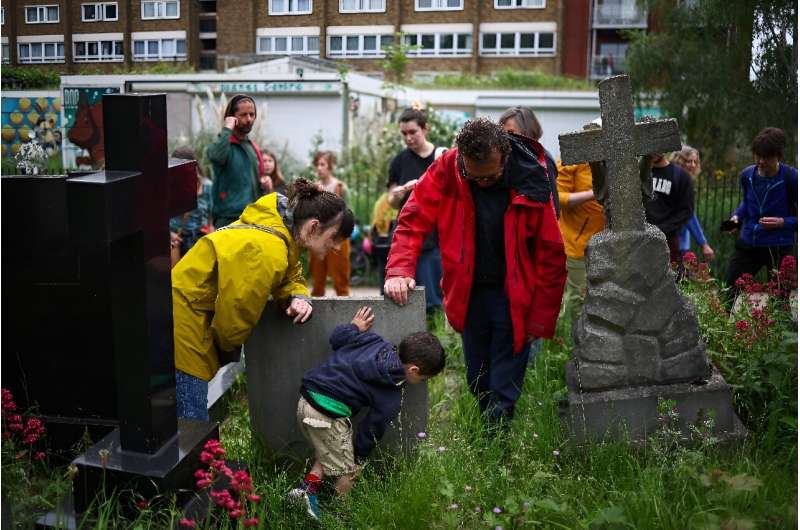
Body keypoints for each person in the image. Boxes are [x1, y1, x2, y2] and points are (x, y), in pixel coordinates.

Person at [384, 118, 566, 431]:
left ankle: (496, 449)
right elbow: (413, 218)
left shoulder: (531, 178)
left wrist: (540, 319)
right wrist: (400, 268)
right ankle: (488, 433)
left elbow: (551, 254)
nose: (481, 182)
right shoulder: (448, 168)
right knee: (477, 377)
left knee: (503, 385)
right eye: (473, 175)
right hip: (470, 294)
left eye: (490, 176)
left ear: (505, 156)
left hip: (515, 297)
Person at [172, 178, 354, 421]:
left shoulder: (277, 228)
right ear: (313, 227)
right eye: (334, 238)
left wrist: (296, 295)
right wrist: (225, 349)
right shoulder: (267, 251)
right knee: (189, 422)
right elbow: (235, 317)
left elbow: (291, 272)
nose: (337, 248)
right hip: (184, 321)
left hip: (184, 309)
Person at [288, 306, 445, 519]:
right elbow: (370, 430)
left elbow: (336, 339)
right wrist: (359, 458)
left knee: (330, 447)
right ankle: (342, 515)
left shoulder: (372, 341)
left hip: (306, 400)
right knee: (348, 470)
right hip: (326, 416)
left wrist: (354, 327)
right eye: (423, 379)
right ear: (413, 370)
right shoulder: (390, 395)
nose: (421, 383)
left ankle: (306, 491)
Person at [724, 127, 797, 297]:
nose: (761, 161)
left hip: (779, 246)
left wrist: (784, 222)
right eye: (757, 155)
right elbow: (747, 204)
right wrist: (735, 218)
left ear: (778, 155)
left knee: (780, 300)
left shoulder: (792, 178)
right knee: (728, 291)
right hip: (749, 242)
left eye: (767, 157)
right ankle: (721, 324)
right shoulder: (746, 175)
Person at [386, 108, 446, 313]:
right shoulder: (399, 161)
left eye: (413, 132)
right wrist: (400, 192)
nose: (408, 138)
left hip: (435, 237)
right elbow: (391, 201)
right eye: (404, 134)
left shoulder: (441, 158)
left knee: (433, 299)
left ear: (425, 129)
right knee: (405, 298)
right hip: (407, 235)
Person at [208, 94, 264, 228]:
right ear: (232, 117)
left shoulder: (252, 146)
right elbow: (215, 156)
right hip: (228, 219)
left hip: (251, 218)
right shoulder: (223, 144)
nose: (249, 119)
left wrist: (264, 185)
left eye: (252, 114)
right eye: (243, 115)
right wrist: (227, 129)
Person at [643, 152, 695, 279]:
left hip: (668, 241)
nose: (653, 151)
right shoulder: (639, 174)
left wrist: (662, 228)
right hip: (640, 239)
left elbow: (686, 210)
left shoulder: (681, 177)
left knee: (671, 282)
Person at [309, 150, 351, 296]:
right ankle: (314, 315)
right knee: (317, 281)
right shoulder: (313, 188)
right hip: (318, 238)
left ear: (330, 166)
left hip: (337, 237)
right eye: (317, 165)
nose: (319, 168)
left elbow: (348, 214)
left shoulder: (340, 187)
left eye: (322, 164)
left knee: (341, 281)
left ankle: (347, 313)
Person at [169, 145, 214, 268]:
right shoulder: (170, 187)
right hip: (178, 240)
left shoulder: (207, 186)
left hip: (200, 238)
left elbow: (210, 215)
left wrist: (211, 233)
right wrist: (170, 235)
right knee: (176, 278)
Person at [671, 145, 715, 262]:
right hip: (675, 242)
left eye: (695, 162)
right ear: (679, 161)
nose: (693, 165)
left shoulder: (684, 182)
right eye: (689, 161)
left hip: (681, 241)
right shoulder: (678, 183)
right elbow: (689, 216)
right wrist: (703, 243)